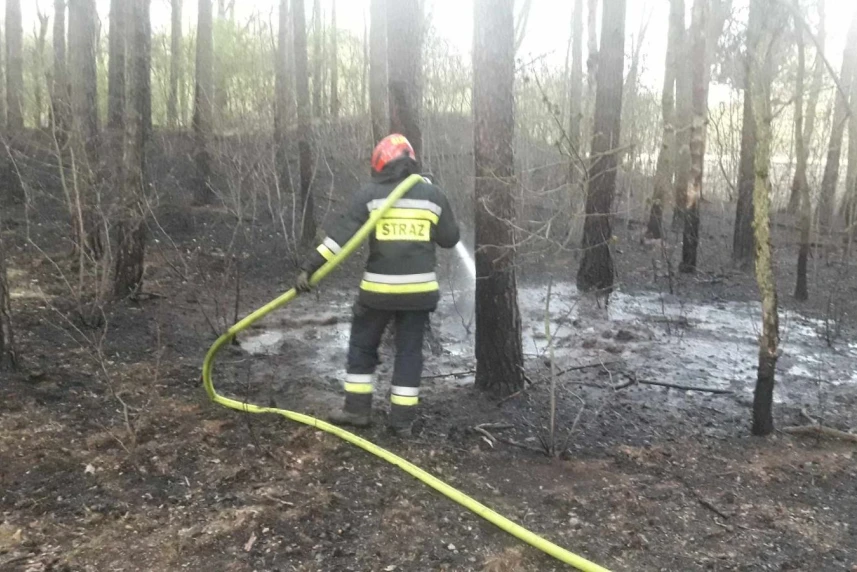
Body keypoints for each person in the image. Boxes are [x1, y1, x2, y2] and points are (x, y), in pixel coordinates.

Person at [296, 134, 460, 436]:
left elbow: (339, 238)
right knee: (409, 353)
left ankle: (356, 411)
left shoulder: (369, 195)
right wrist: (433, 207)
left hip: (378, 294)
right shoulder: (432, 195)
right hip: (419, 295)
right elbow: (450, 239)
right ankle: (402, 422)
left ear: (381, 162)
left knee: (362, 346)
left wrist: (310, 267)